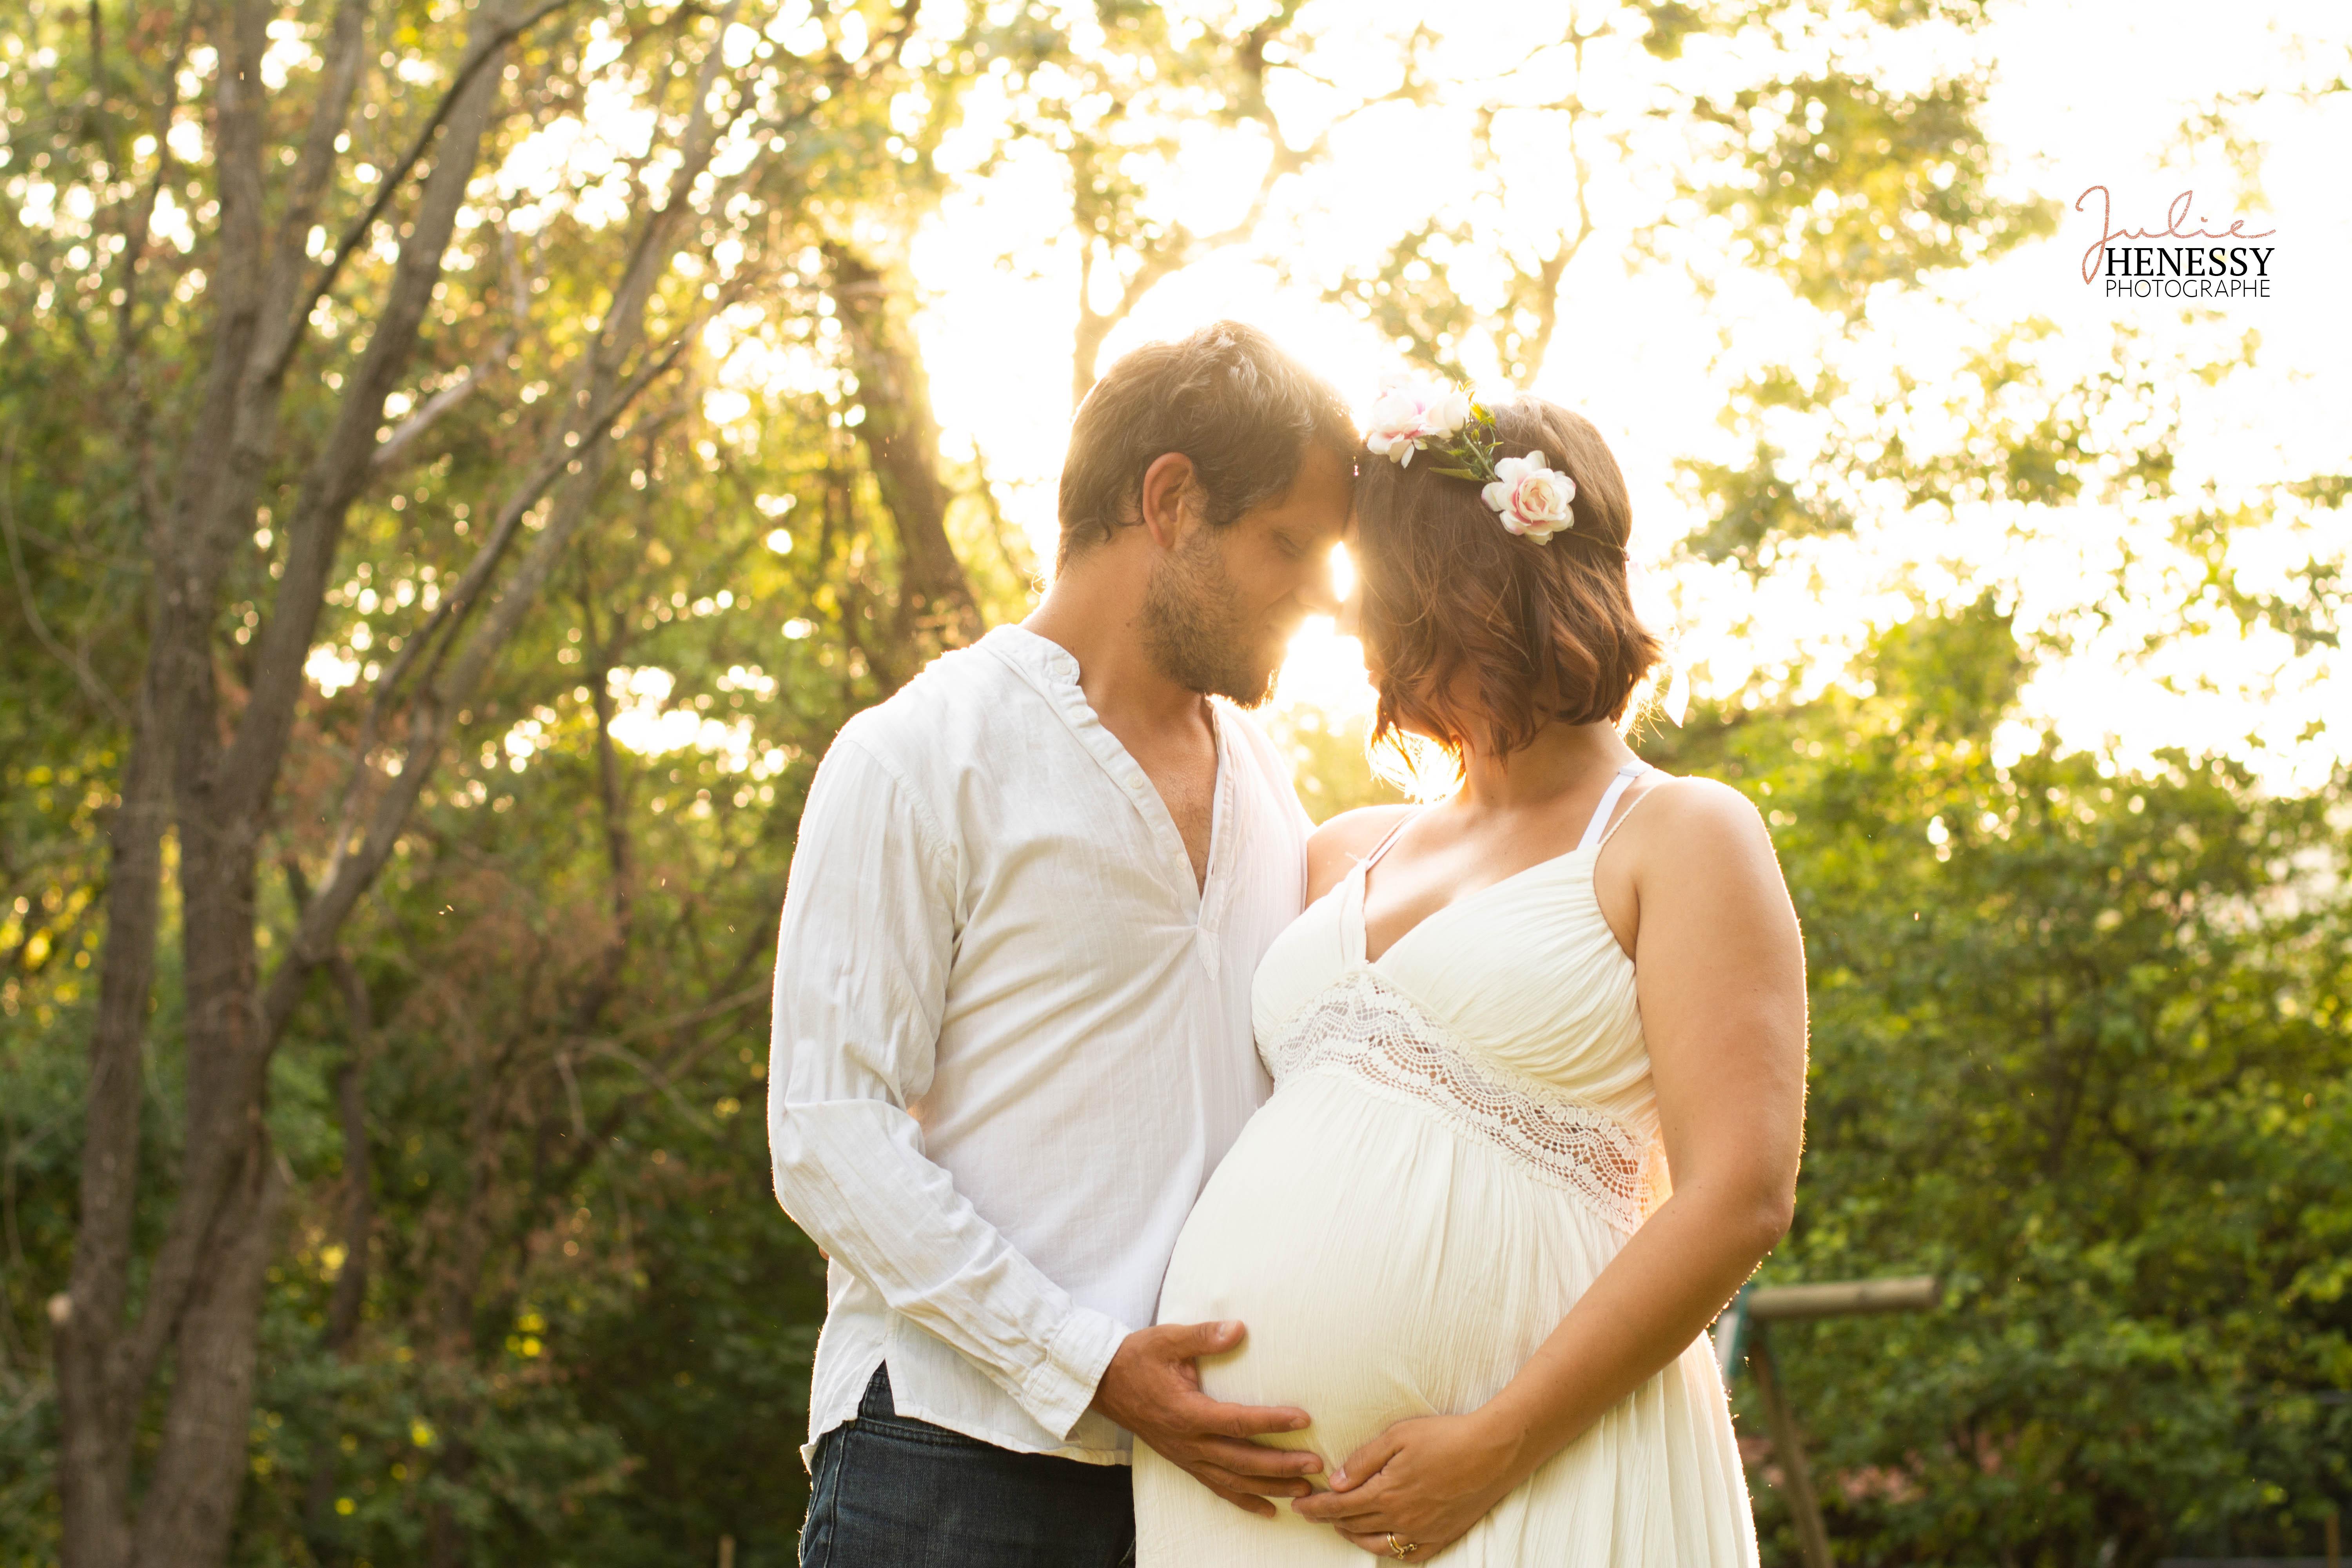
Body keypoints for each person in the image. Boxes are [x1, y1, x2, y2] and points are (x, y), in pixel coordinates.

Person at [1133, 388, 1809, 1564]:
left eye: (1385, 593)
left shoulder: (1679, 835)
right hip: (1240, 1506)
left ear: (1490, 588)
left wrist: (1498, 1440)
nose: (1356, 632)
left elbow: (1738, 1196)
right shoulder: (1347, 847)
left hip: (1532, 1474)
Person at [768, 322, 1357, 1567]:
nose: (1316, 591)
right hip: (949, 1459)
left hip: (1198, 1491)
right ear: (1172, 500)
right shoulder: (921, 754)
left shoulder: (1269, 778)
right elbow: (825, 1134)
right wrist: (1082, 1362)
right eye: (1289, 546)